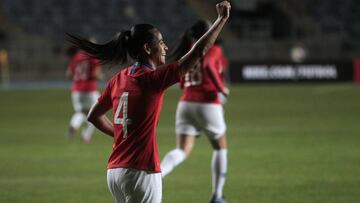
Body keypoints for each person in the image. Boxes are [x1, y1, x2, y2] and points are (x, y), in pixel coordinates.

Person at [66, 1, 231, 202]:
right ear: (147, 48)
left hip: (115, 171)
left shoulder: (119, 78)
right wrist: (221, 19)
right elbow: (197, 53)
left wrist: (119, 134)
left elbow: (93, 116)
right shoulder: (152, 80)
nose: (165, 47)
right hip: (141, 171)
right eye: (161, 42)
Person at [160, 20, 229, 203]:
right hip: (208, 103)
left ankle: (159, 175)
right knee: (220, 148)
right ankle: (217, 195)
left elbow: (181, 80)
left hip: (186, 104)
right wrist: (222, 89)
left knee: (182, 150)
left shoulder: (187, 51)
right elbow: (208, 67)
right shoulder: (212, 48)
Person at [66, 42, 103, 143]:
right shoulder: (93, 58)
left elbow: (69, 74)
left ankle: (74, 125)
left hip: (76, 90)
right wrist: (102, 76)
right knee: (95, 113)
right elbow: (96, 74)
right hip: (90, 89)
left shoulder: (76, 57)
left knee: (81, 111)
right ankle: (86, 136)